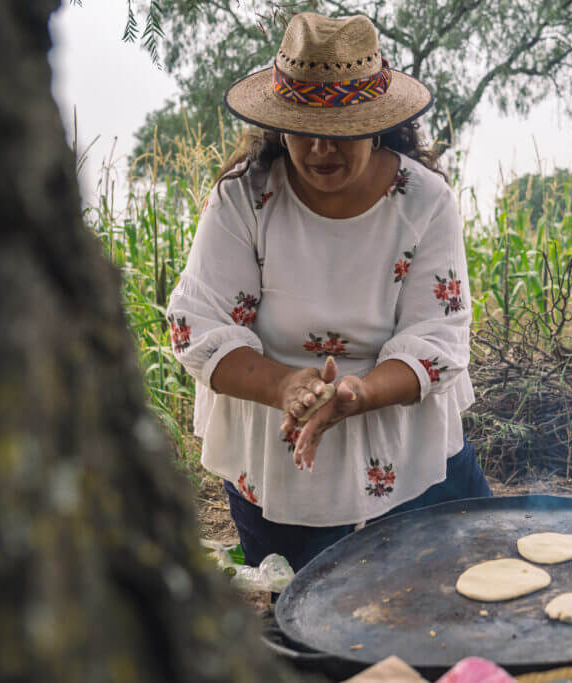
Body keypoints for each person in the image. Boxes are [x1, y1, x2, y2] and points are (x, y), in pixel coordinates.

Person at [167, 12, 491, 572]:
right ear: (279, 125)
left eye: (340, 131)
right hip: (278, 444)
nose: (320, 149)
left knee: (455, 584)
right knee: (308, 608)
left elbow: (437, 335)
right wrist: (287, 386)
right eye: (303, 129)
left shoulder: (425, 202)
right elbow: (196, 324)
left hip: (401, 426)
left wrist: (358, 394)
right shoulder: (245, 201)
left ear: (375, 123)